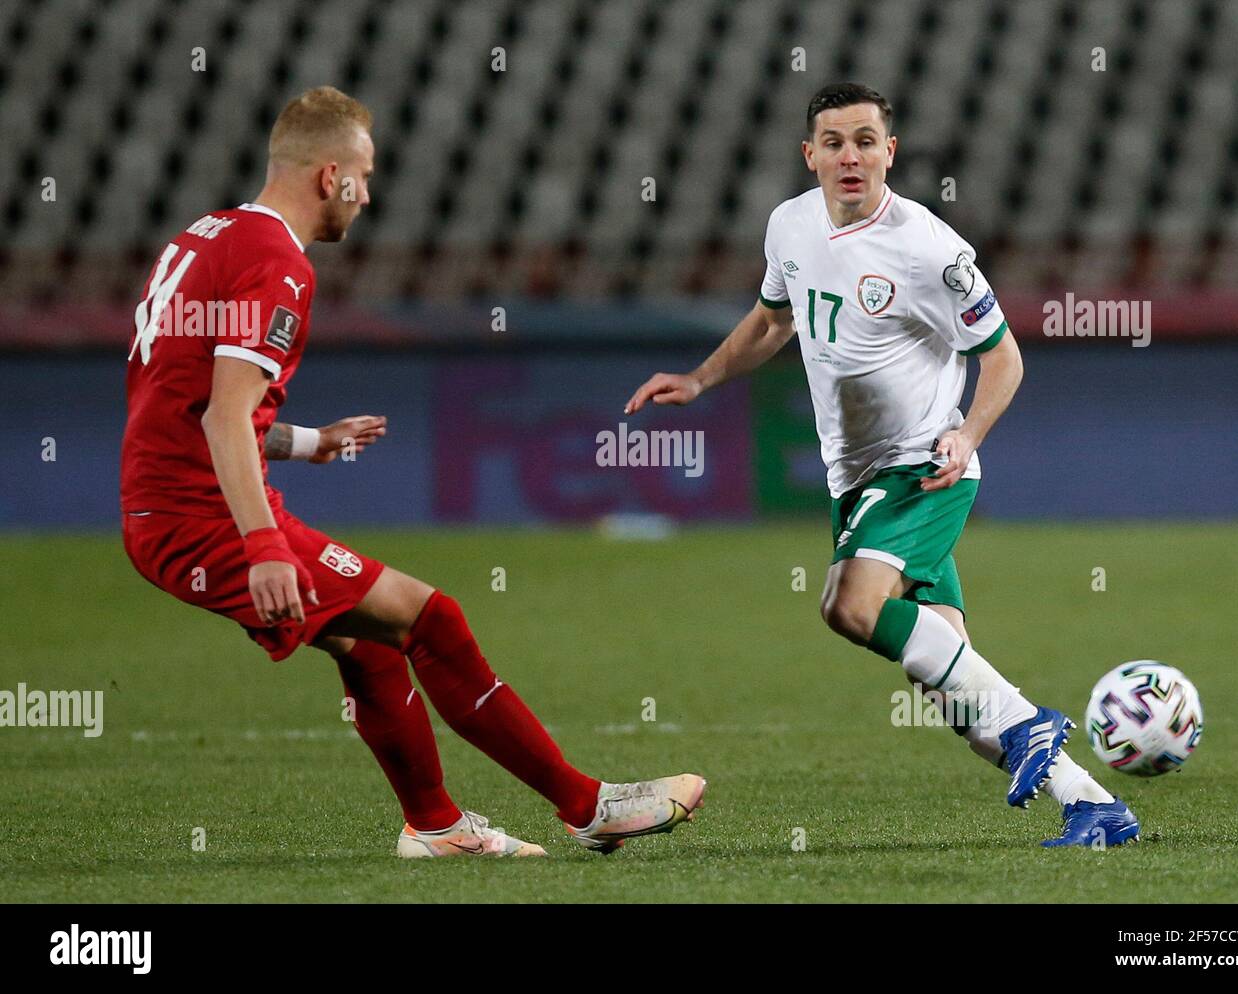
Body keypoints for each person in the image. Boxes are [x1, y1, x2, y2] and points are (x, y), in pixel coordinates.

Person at [122, 85, 705, 858]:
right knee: (432, 619)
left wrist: (305, 442)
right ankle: (585, 805)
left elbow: (183, 401)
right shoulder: (278, 263)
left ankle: (435, 827)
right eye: (364, 175)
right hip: (204, 519)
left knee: (370, 642)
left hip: (182, 504)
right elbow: (223, 415)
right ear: (331, 176)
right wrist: (263, 545)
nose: (368, 196)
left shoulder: (205, 235)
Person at [625, 83, 1136, 848]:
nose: (851, 155)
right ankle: (1095, 807)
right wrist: (701, 378)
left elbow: (1003, 357)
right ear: (811, 155)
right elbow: (773, 321)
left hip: (923, 469)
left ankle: (1030, 723)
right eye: (834, 141)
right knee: (958, 696)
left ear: (889, 152)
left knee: (847, 604)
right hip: (855, 480)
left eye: (866, 140)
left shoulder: (930, 248)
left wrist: (968, 434)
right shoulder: (789, 226)